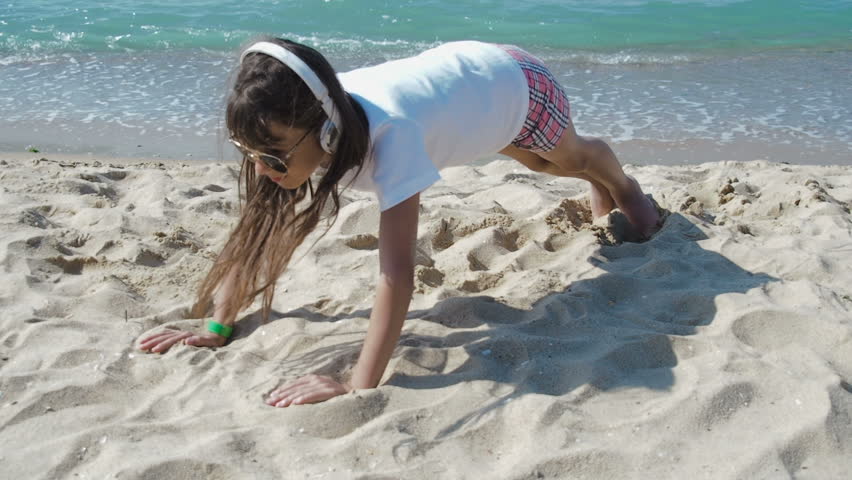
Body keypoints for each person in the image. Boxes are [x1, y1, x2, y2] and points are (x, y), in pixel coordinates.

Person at [137, 37, 661, 407]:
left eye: (272, 157)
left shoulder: (393, 137)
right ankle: (600, 183)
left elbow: (397, 277)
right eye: (247, 152)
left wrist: (356, 384)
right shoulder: (298, 120)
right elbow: (260, 228)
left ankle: (621, 186)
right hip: (469, 93)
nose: (260, 168)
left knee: (559, 160)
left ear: (324, 133)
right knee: (532, 161)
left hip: (516, 84)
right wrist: (216, 325)